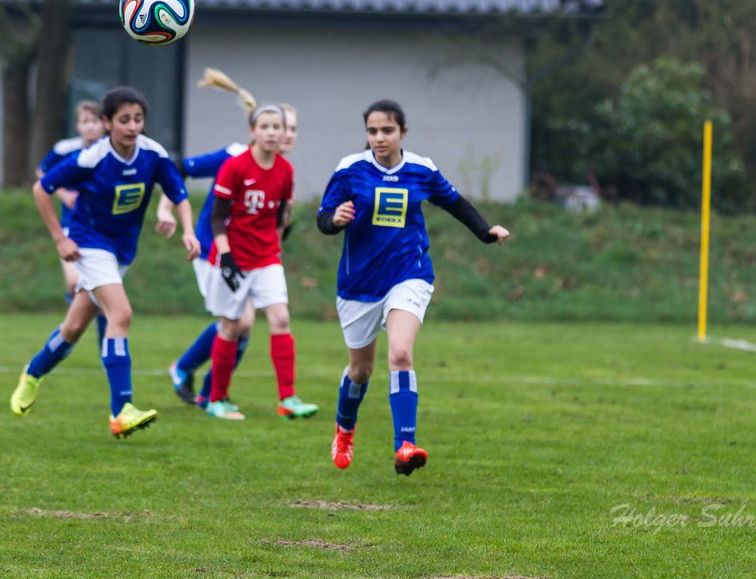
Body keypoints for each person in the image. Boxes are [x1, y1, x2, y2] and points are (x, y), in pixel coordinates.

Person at [317, 99, 510, 475]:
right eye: (372, 131)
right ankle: (344, 429)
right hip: (359, 284)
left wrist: (485, 231)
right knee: (360, 370)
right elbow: (324, 218)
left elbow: (455, 203)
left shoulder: (421, 169)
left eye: (387, 130)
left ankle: (404, 444)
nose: (379, 138)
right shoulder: (349, 170)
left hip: (409, 274)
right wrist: (335, 220)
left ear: (403, 132)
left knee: (401, 353)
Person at [9, 86, 199, 437]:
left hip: (122, 249)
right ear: (107, 122)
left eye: (138, 119)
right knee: (121, 313)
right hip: (88, 243)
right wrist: (59, 238)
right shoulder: (92, 158)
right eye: (123, 120)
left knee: (74, 327)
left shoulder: (152, 155)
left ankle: (33, 373)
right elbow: (41, 189)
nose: (132, 126)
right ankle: (121, 409)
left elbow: (179, 195)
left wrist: (188, 229)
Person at [158, 69, 300, 410]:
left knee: (246, 323)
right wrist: (166, 210)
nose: (288, 134)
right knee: (241, 321)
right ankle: (187, 371)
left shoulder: (282, 170)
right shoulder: (233, 157)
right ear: (257, 128)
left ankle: (211, 392)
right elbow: (179, 170)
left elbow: (276, 219)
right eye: (283, 127)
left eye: (293, 129)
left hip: (253, 253)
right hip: (214, 246)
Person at [201, 102, 317, 422]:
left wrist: (275, 250)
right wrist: (225, 257)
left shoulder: (285, 171)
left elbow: (280, 218)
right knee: (232, 325)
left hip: (266, 257)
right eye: (264, 126)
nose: (271, 132)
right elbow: (218, 218)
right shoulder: (234, 167)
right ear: (252, 132)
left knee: (280, 318)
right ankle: (217, 399)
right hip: (233, 257)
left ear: (284, 133)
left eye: (276, 127)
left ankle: (288, 399)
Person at [38, 100, 108, 348]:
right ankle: (77, 307)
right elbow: (42, 174)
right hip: (71, 227)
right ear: (78, 126)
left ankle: (105, 351)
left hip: (100, 231)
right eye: (85, 122)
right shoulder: (66, 149)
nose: (90, 127)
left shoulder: (110, 152)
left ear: (104, 124)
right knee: (73, 282)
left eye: (95, 121)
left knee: (102, 295)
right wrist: (63, 193)